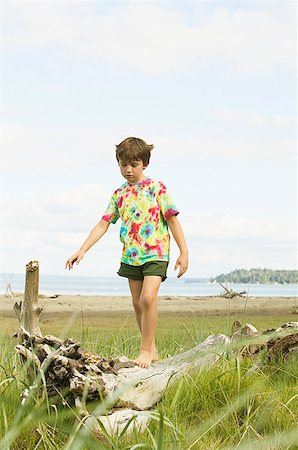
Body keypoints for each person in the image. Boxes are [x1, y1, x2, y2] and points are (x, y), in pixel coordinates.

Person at [65, 137, 188, 368]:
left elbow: (172, 220)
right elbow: (103, 223)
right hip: (131, 255)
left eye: (134, 164)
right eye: (123, 165)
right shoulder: (119, 194)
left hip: (156, 252)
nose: (128, 170)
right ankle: (152, 350)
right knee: (137, 303)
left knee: (148, 298)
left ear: (145, 164)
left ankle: (143, 351)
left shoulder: (156, 188)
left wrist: (184, 252)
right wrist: (82, 250)